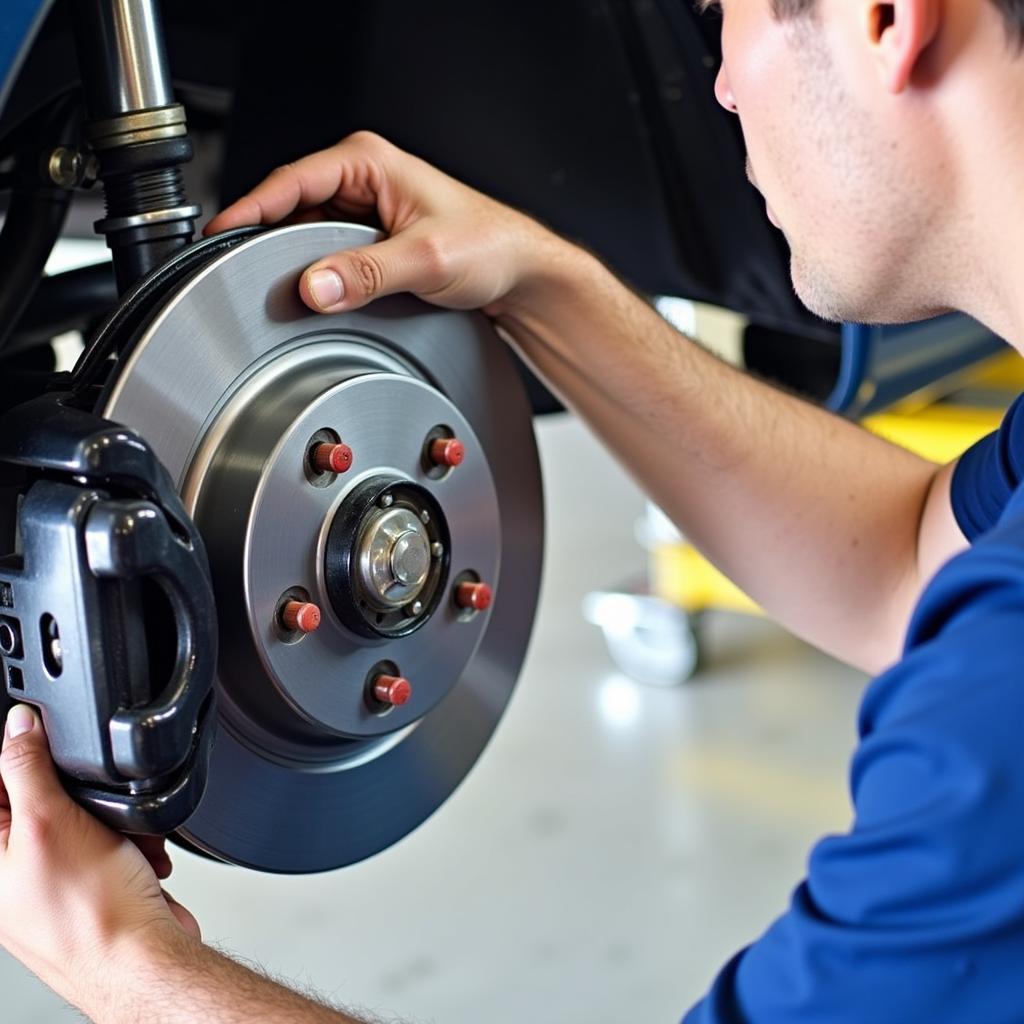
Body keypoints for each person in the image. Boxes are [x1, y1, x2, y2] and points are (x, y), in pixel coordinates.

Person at [4, 0, 1024, 1019]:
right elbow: (906, 560)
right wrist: (542, 283)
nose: (719, 81)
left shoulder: (998, 704)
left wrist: (118, 957)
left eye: (728, 13)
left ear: (887, 17)